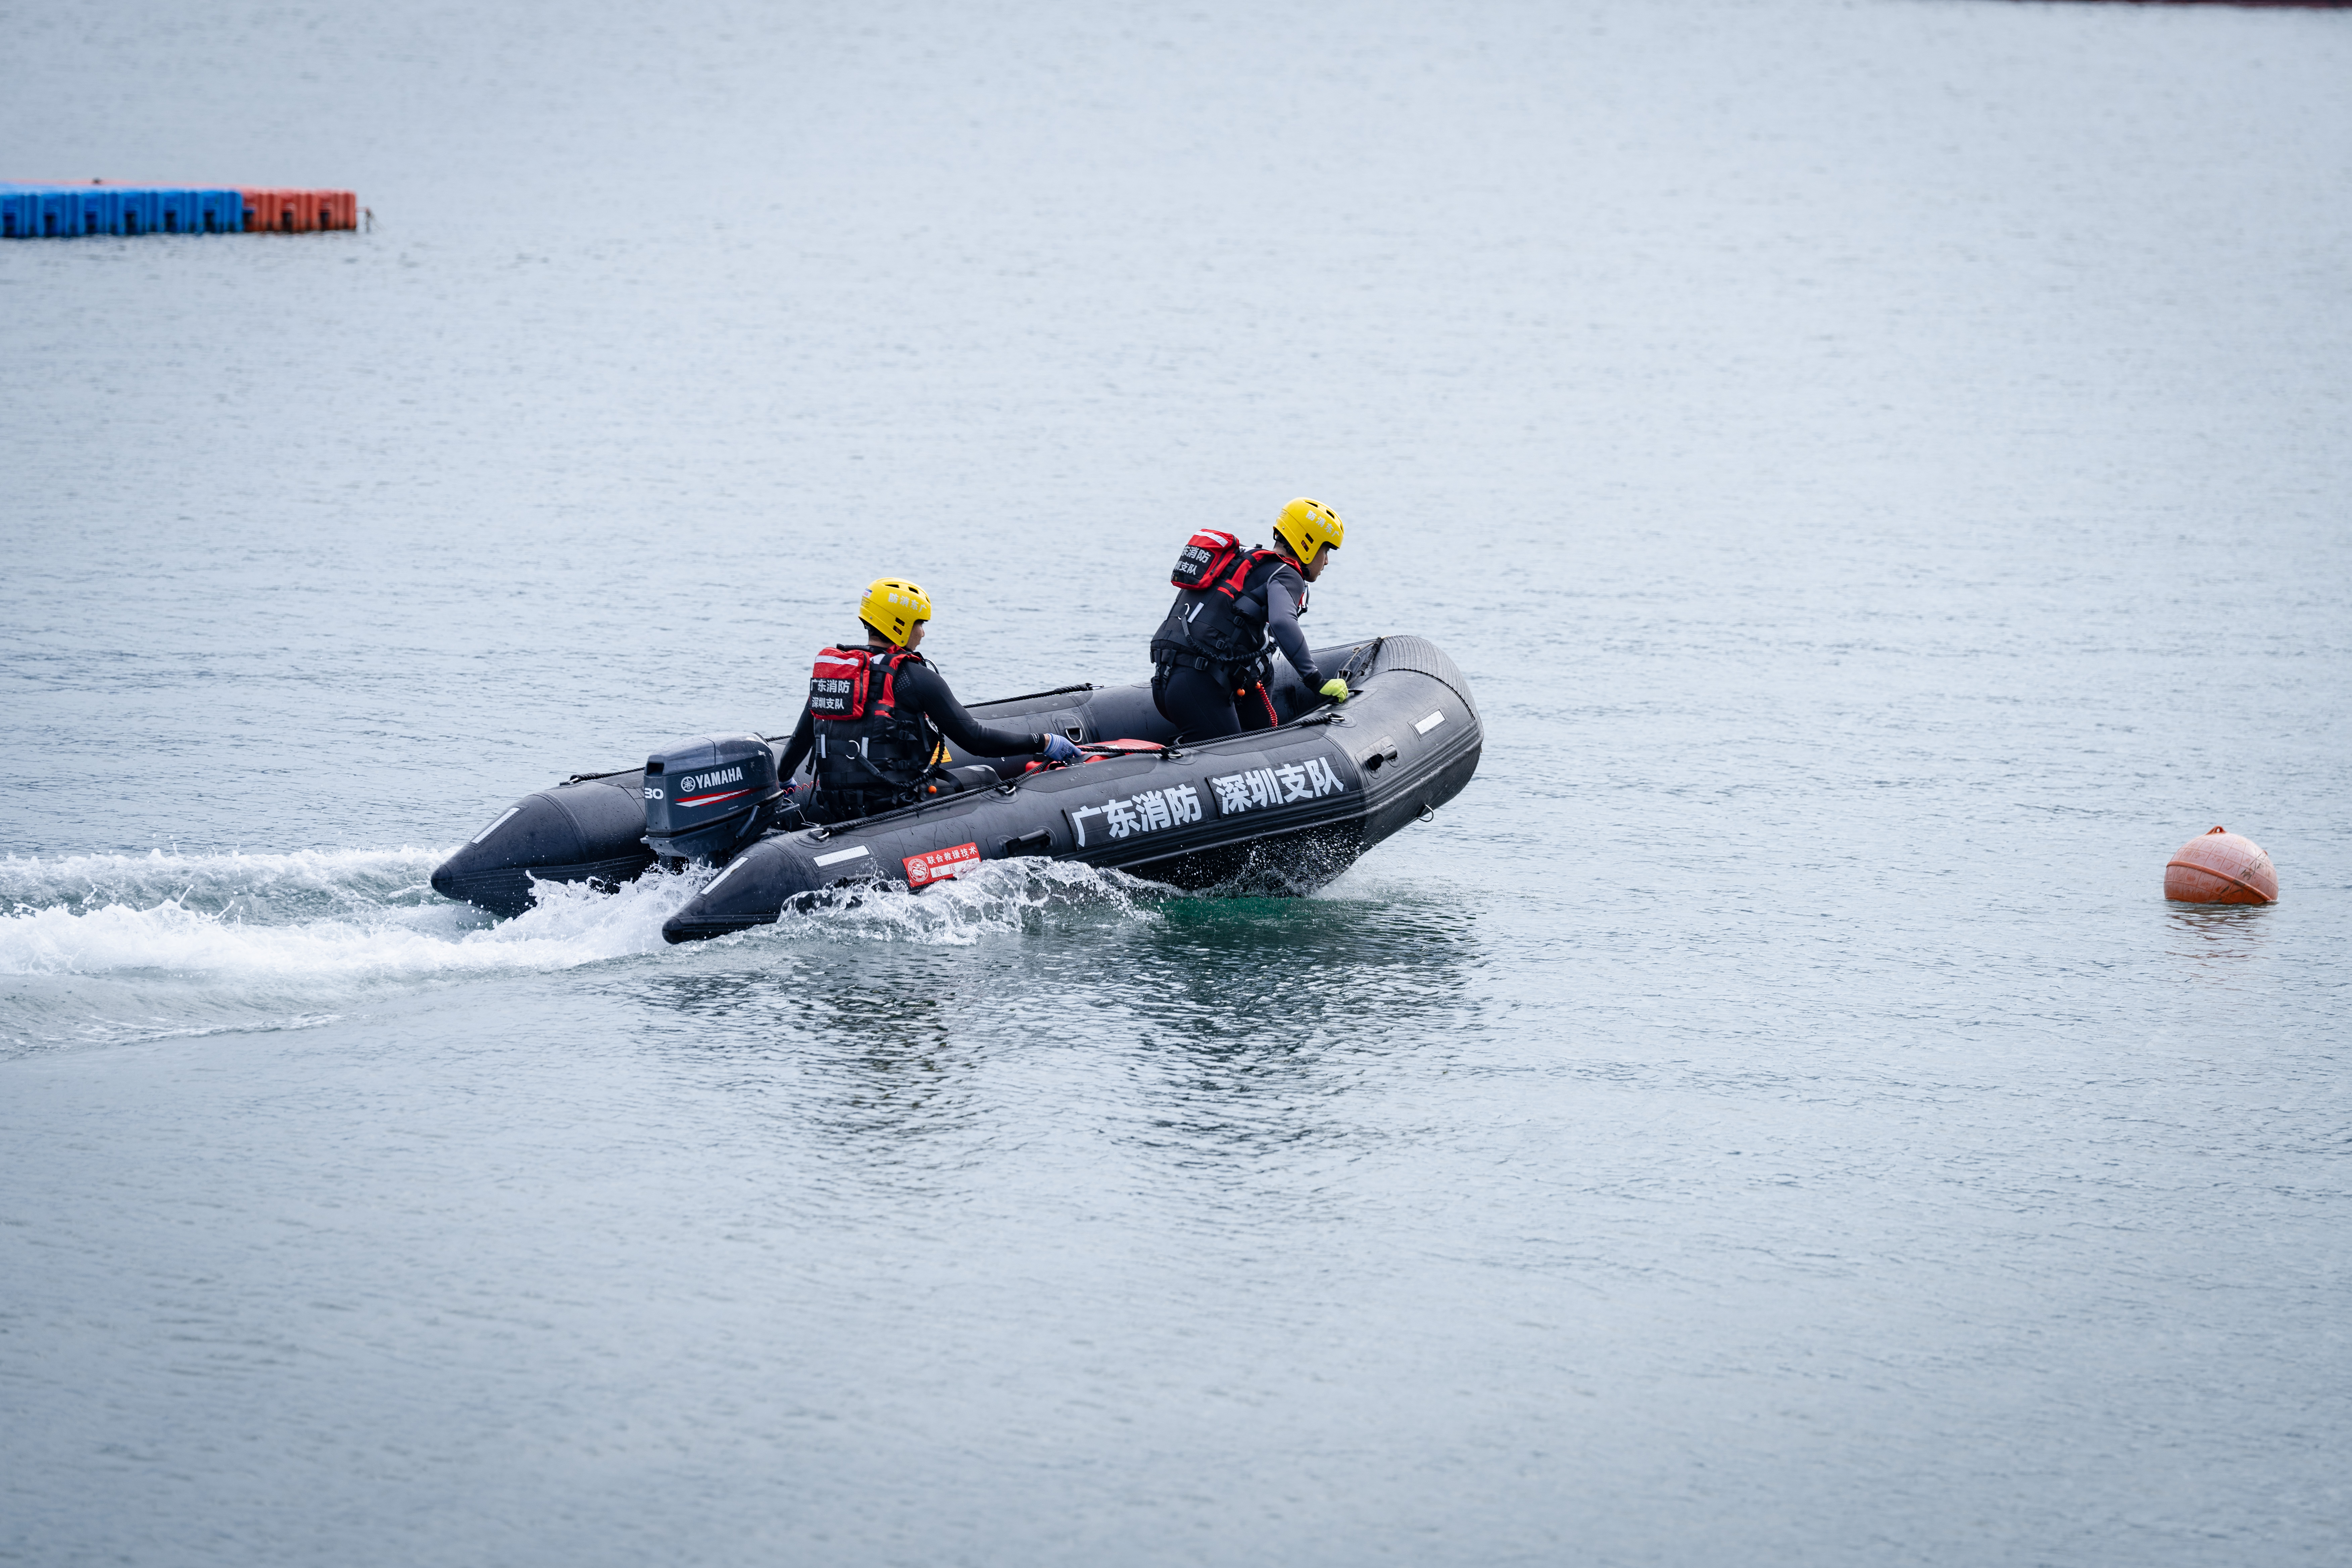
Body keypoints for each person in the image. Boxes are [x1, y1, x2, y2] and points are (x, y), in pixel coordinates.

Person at [778, 577, 1084, 824]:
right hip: (893, 806)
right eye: (919, 624)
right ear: (899, 623)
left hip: (837, 808)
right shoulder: (914, 677)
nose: (923, 633)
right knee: (983, 777)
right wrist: (1043, 742)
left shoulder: (837, 674)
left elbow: (799, 741)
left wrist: (783, 780)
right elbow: (976, 740)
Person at [1149, 497, 1353, 740]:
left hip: (1167, 677)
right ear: (1308, 544)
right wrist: (1316, 681)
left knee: (1259, 736)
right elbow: (1282, 623)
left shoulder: (1243, 561)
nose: (1327, 561)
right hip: (1198, 686)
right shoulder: (1287, 574)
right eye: (1326, 549)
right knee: (1227, 764)